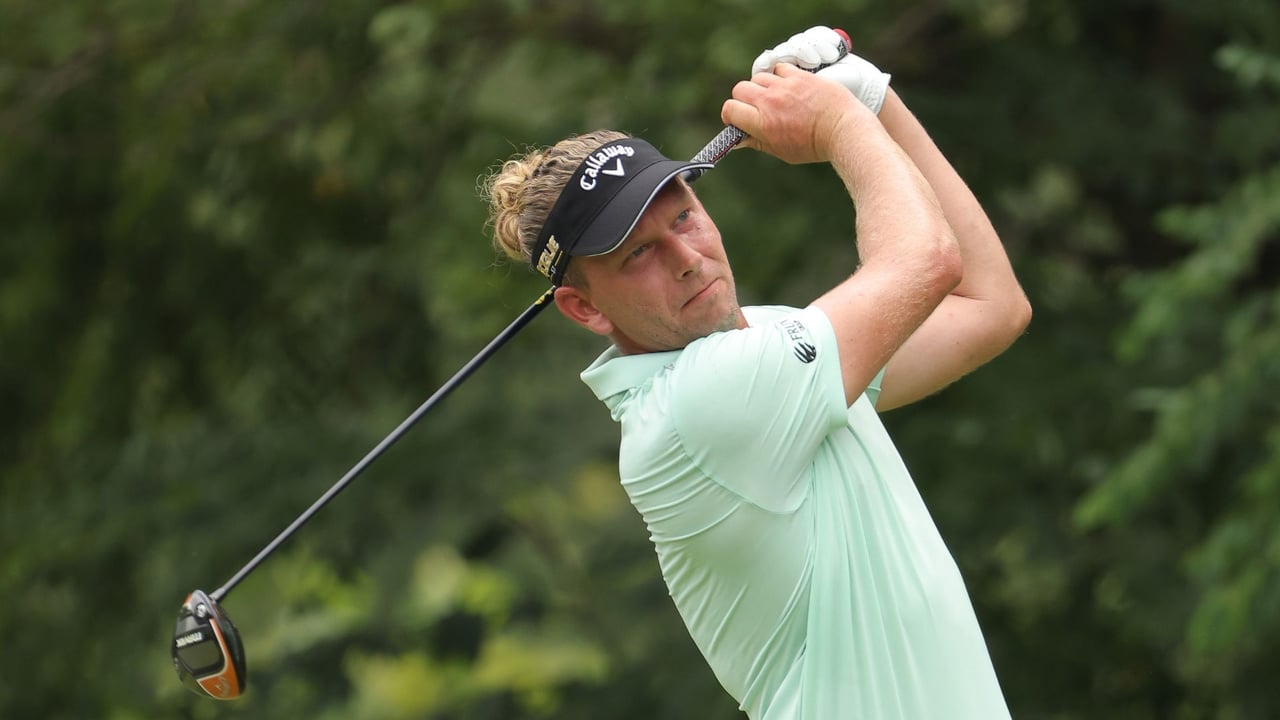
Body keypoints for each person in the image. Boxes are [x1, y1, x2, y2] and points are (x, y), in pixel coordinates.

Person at [481, 26, 1030, 720]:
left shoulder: (770, 342)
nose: (686, 255)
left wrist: (874, 101)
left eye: (685, 216)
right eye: (637, 255)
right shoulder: (698, 406)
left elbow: (989, 307)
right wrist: (843, 123)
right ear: (584, 307)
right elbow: (926, 263)